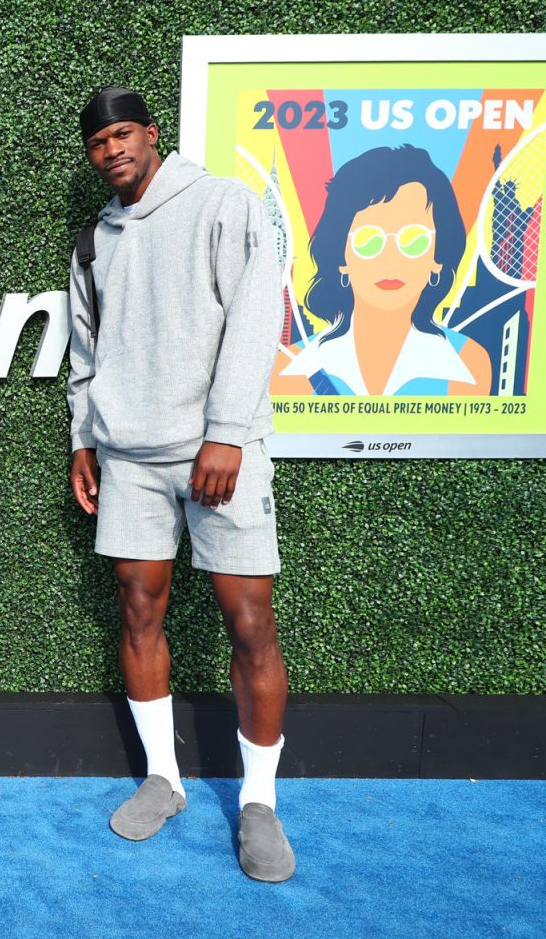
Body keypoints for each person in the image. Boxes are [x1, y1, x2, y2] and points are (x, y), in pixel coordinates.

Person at [66, 87, 294, 883]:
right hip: (127, 454)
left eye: (122, 134)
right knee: (138, 609)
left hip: (218, 451)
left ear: (152, 135)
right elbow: (85, 353)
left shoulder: (223, 203)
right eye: (98, 143)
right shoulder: (95, 240)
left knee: (250, 618)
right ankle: (164, 781)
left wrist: (227, 431)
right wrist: (84, 439)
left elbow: (255, 313)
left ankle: (259, 804)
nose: (111, 150)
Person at [273, 144, 491, 396]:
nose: (390, 259)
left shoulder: (469, 364)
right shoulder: (290, 370)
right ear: (341, 257)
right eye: (369, 240)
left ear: (437, 258)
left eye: (413, 239)